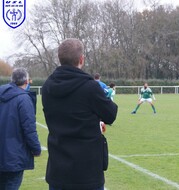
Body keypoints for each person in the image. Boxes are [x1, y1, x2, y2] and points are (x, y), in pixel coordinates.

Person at [42, 38, 118, 190]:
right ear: (81, 59)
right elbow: (111, 114)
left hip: (58, 171)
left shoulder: (47, 86)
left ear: (60, 59)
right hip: (87, 173)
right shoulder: (90, 87)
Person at [0, 68, 41, 190]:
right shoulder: (23, 99)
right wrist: (36, 148)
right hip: (13, 157)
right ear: (26, 81)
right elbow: (29, 128)